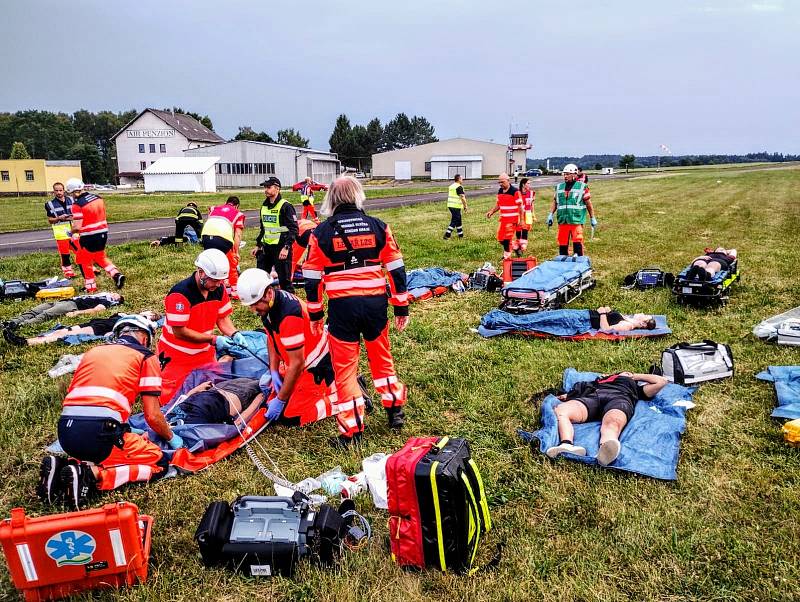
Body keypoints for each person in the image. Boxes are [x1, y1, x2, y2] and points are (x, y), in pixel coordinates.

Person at [37, 315, 185, 509]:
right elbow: (153, 416)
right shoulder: (146, 357)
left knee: (97, 451)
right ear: (145, 337)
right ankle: (93, 475)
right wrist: (171, 436)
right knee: (159, 464)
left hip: (66, 433)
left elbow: (89, 401)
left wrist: (127, 429)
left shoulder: (93, 352)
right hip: (101, 435)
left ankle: (61, 468)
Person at [303, 176, 410, 447]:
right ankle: (394, 409)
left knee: (346, 370)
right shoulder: (378, 226)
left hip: (343, 307)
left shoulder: (321, 232)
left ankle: (353, 431)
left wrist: (315, 315)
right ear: (357, 196)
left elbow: (312, 278)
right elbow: (396, 268)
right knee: (381, 358)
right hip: (376, 304)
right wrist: (401, 305)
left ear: (332, 199)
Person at [237, 268, 336, 426]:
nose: (253, 310)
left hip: (317, 366)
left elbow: (298, 364)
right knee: (274, 392)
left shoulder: (288, 315)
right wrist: (274, 370)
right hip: (297, 362)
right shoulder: (269, 307)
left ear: (268, 293)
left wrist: (281, 400)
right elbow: (271, 338)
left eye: (255, 304)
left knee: (291, 416)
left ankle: (338, 398)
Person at [156, 249, 241, 403]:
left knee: (213, 393)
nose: (219, 284)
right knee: (172, 400)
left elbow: (222, 319)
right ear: (201, 273)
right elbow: (180, 332)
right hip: (177, 357)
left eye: (221, 280)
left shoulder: (218, 289)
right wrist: (214, 339)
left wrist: (234, 334)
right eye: (214, 280)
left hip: (204, 354)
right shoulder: (180, 294)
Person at [546, 372, 669, 466]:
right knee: (561, 410)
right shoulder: (596, 383)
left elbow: (661, 381)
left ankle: (606, 451)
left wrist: (634, 376)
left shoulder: (636, 389)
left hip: (620, 399)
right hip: (594, 397)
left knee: (612, 423)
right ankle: (567, 445)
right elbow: (575, 392)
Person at [66, 178, 126, 293]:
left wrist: (71, 232)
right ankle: (116, 274)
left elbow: (77, 227)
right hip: (103, 233)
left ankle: (90, 287)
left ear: (74, 191)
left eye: (71, 193)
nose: (72, 196)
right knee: (101, 257)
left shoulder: (77, 205)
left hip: (88, 236)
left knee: (85, 261)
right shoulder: (98, 198)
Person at [1, 292, 124, 340]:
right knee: (34, 310)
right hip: (64, 301)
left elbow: (96, 310)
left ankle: (21, 325)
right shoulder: (102, 295)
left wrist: (77, 313)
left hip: (72, 305)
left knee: (46, 314)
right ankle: (12, 322)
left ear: (117, 299)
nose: (113, 293)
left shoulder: (108, 302)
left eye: (116, 294)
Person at [8, 311, 160, 347]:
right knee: (61, 331)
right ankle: (29, 340)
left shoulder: (142, 323)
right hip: (96, 323)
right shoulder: (128, 315)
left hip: (99, 328)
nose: (148, 313)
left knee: (62, 334)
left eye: (151, 314)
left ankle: (26, 342)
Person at [252, 177, 298, 292]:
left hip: (281, 248)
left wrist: (286, 247)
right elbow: (264, 228)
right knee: (261, 279)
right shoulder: (264, 206)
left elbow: (293, 229)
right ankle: (263, 306)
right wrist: (258, 244)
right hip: (266, 248)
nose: (266, 190)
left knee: (285, 281)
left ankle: (291, 306)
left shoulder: (286, 206)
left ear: (277, 188)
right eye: (265, 187)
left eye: (268, 187)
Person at [167, 377, 265, 427]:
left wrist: (196, 389)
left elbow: (181, 401)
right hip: (238, 396)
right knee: (266, 382)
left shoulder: (165, 419)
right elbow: (236, 424)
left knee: (260, 378)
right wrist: (258, 401)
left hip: (217, 389)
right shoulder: (193, 431)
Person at [547, 164, 596, 257]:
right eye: (564, 174)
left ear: (574, 174)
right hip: (563, 221)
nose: (565, 176)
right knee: (562, 243)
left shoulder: (582, 187)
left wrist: (592, 217)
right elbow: (555, 202)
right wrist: (550, 214)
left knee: (577, 242)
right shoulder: (559, 187)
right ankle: (563, 262)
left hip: (575, 220)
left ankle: (579, 264)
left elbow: (588, 204)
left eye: (568, 174)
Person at [204, 196, 246, 298]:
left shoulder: (214, 209)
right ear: (237, 206)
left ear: (226, 203)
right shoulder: (238, 214)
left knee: (214, 263)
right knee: (231, 265)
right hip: (222, 239)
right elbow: (238, 235)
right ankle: (235, 291)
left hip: (205, 237)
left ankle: (215, 287)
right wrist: (236, 252)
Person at [486, 172, 523, 259]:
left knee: (506, 239)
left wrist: (521, 220)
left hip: (512, 220)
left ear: (508, 181)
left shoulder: (515, 192)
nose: (500, 184)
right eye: (499, 182)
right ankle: (515, 247)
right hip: (503, 220)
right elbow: (499, 204)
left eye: (502, 182)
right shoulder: (500, 191)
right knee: (500, 239)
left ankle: (506, 257)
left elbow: (521, 207)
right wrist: (491, 211)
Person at [45, 182, 76, 278]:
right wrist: (59, 218)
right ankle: (68, 272)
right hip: (61, 232)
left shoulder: (72, 200)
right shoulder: (49, 204)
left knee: (80, 250)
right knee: (65, 254)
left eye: (60, 190)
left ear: (64, 190)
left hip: (74, 230)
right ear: (53, 191)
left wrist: (73, 217)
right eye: (56, 190)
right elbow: (50, 220)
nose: (59, 192)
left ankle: (89, 267)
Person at [290, 218, 318, 282]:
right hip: (316, 231)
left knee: (292, 261)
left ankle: (288, 282)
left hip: (302, 233)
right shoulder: (302, 221)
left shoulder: (289, 224)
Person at [590, 307, 657, 332]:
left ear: (643, 323)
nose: (642, 313)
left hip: (585, 320)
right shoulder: (627, 319)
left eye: (644, 316)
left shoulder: (627, 325)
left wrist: (602, 313)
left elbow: (606, 329)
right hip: (587, 315)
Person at [515, 177, 536, 254]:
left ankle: (522, 247)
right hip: (519, 214)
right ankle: (518, 245)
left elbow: (532, 204)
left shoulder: (531, 193)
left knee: (525, 230)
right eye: (528, 183)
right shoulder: (517, 193)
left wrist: (533, 214)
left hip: (528, 214)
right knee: (518, 230)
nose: (529, 185)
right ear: (523, 184)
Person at [443, 174, 467, 240]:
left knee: (458, 220)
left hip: (450, 205)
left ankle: (461, 235)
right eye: (462, 179)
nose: (462, 180)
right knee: (455, 220)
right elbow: (462, 198)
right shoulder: (459, 187)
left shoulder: (451, 186)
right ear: (459, 179)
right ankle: (447, 235)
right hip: (456, 206)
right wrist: (465, 206)